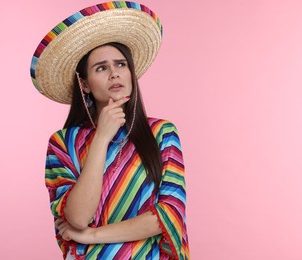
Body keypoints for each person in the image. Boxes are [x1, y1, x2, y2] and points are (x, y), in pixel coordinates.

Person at [30, 2, 189, 259]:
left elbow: (169, 214)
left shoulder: (161, 133)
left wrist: (93, 236)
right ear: (85, 84)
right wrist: (102, 137)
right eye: (101, 68)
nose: (114, 74)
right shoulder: (63, 143)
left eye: (121, 64)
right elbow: (78, 217)